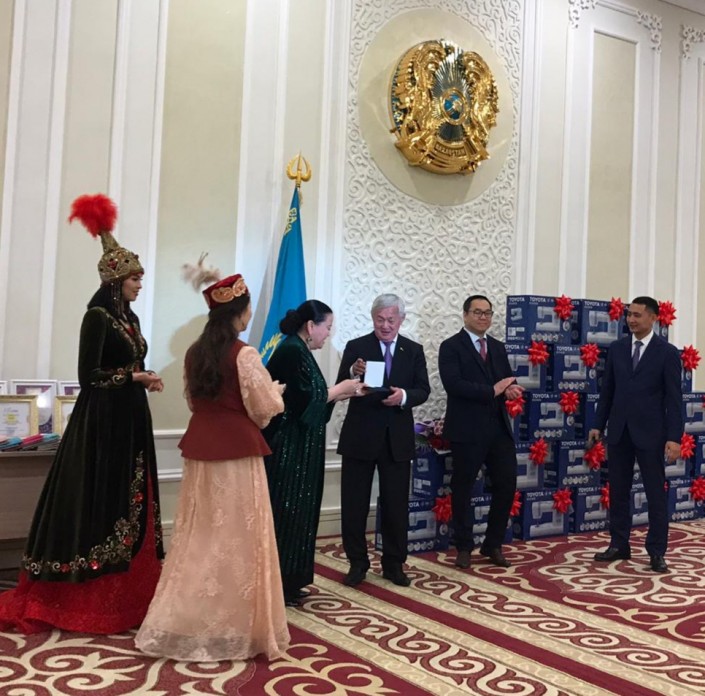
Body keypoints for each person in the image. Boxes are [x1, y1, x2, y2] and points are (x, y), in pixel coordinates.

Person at [0, 193, 165, 634]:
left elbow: (128, 364)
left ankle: (130, 594)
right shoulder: (96, 317)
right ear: (116, 280)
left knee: (129, 498)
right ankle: (85, 596)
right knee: (100, 500)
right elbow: (89, 376)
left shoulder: (130, 320)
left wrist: (143, 377)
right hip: (102, 422)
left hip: (130, 419)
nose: (140, 284)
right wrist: (133, 377)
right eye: (135, 278)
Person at [135, 273, 290, 661]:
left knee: (200, 537)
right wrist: (276, 393)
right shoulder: (245, 354)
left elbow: (194, 402)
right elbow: (264, 409)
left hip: (201, 451)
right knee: (240, 539)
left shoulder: (194, 353)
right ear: (240, 312)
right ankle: (236, 625)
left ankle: (188, 618)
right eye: (248, 309)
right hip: (238, 454)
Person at [263, 300, 364, 607]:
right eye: (327, 327)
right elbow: (304, 400)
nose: (328, 334)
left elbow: (314, 398)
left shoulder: (299, 349)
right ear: (311, 326)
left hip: (301, 448)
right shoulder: (292, 350)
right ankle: (279, 584)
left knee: (300, 515)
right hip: (288, 449)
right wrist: (340, 389)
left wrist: (341, 393)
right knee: (287, 515)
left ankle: (292, 581)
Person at [336, 294, 430, 588]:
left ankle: (393, 564)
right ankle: (357, 563)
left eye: (391, 320)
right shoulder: (357, 347)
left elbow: (423, 389)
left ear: (401, 320)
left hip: (396, 439)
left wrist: (403, 396)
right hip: (360, 436)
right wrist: (353, 373)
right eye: (380, 319)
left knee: (395, 505)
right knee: (354, 505)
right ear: (372, 318)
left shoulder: (412, 350)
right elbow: (340, 386)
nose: (385, 325)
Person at [588, 296, 683, 573]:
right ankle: (619, 544)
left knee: (655, 494)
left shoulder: (667, 353)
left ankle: (656, 551)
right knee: (618, 491)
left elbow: (674, 399)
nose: (631, 320)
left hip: (651, 434)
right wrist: (598, 424)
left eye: (637, 315)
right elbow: (608, 391)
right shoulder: (617, 349)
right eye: (629, 314)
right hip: (619, 431)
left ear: (653, 318)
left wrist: (674, 437)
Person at [438, 294, 523, 570]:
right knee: (463, 488)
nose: (483, 317)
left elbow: (505, 380)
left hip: (498, 428)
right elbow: (454, 385)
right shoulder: (451, 346)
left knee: (507, 484)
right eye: (477, 312)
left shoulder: (497, 347)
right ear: (465, 315)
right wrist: (493, 390)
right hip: (466, 429)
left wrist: (510, 390)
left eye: (487, 313)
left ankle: (492, 544)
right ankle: (464, 545)